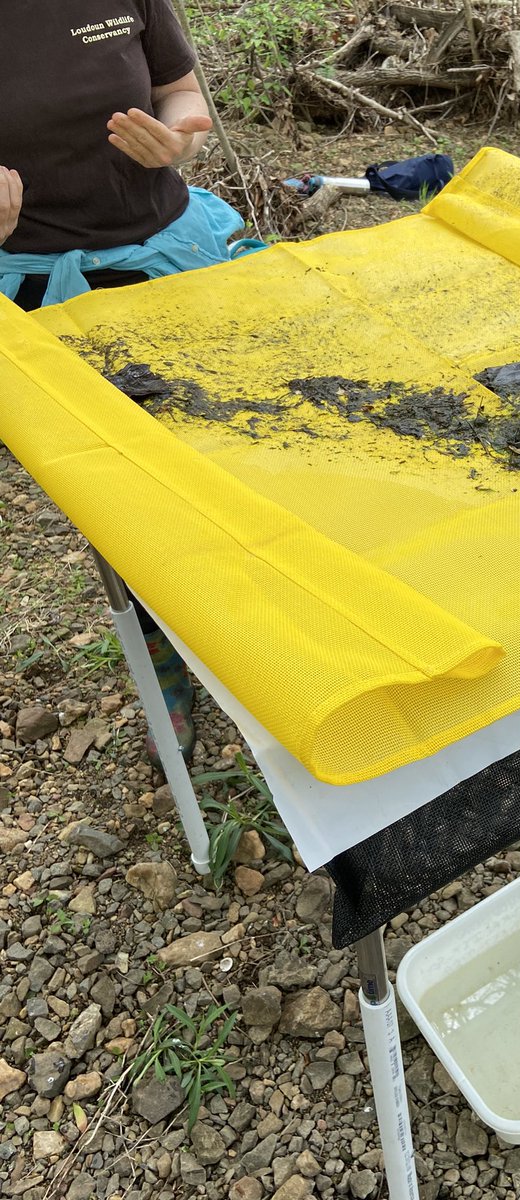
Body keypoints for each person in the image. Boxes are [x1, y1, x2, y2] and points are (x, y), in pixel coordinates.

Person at [0, 0, 249, 767]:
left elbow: (179, 90)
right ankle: (163, 650)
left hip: (173, 255)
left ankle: (257, 618)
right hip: (39, 287)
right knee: (122, 487)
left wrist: (180, 138)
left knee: (234, 446)